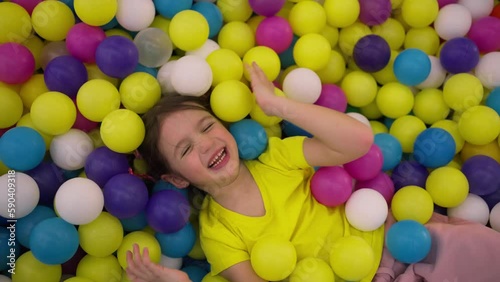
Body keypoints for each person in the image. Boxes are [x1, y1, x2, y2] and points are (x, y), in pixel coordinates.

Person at [126, 63, 500, 282]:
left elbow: (357, 140)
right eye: (187, 149)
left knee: (477, 251)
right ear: (177, 179)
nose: (206, 143)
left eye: (207, 127)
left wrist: (279, 105)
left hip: (401, 241)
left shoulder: (276, 157)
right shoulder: (218, 234)